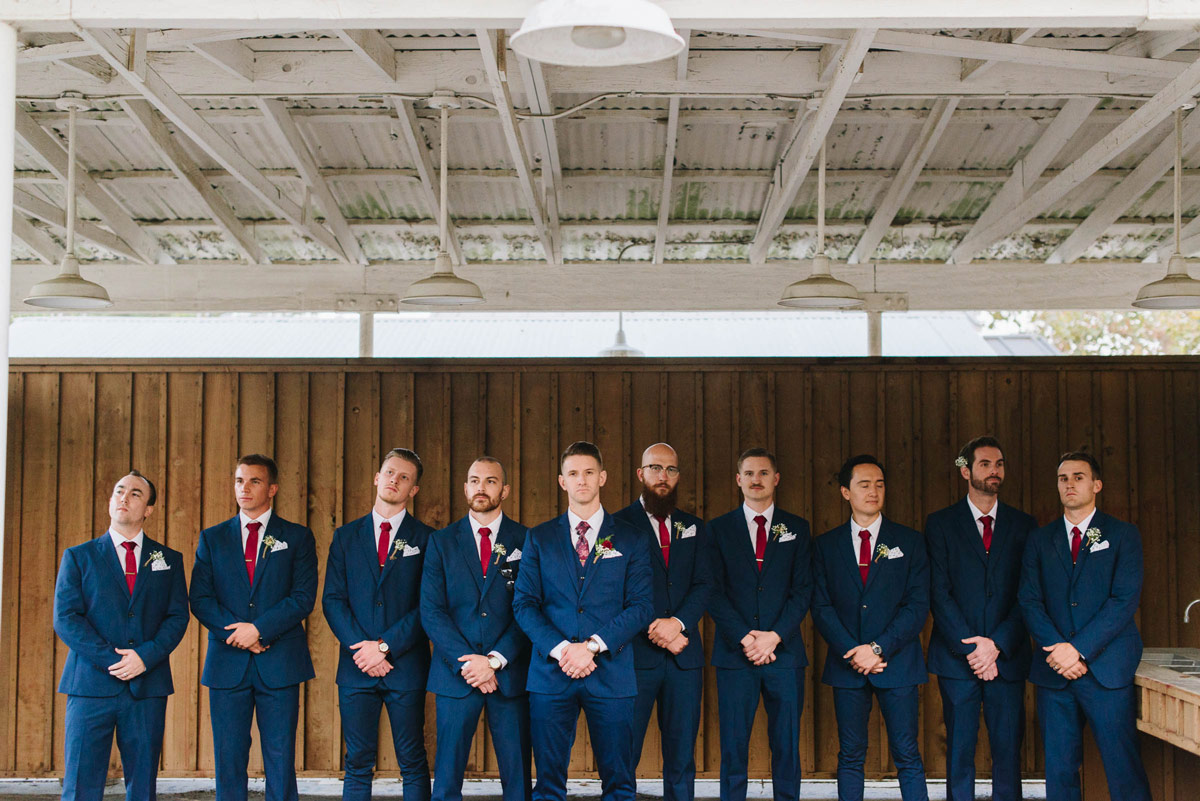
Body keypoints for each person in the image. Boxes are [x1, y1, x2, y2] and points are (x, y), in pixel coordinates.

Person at [512, 441, 654, 801]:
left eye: (589, 472)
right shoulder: (539, 538)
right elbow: (524, 604)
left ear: (602, 477)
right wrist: (563, 651)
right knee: (547, 786)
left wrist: (591, 647)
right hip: (550, 674)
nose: (582, 480)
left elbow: (640, 606)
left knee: (620, 784)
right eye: (573, 473)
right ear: (562, 481)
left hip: (611, 673)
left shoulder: (632, 538)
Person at [1018, 451, 1152, 801]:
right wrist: (1058, 649)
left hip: (1106, 670)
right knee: (1059, 773)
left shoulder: (1123, 535)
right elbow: (1029, 601)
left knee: (1123, 769)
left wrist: (1076, 650)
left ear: (1097, 485)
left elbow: (1123, 600)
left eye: (1078, 477)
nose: (1070, 484)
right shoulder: (1039, 540)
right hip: (1054, 672)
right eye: (1063, 478)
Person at [53, 471, 189, 801]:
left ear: (149, 510)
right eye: (119, 491)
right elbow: (67, 619)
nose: (124, 497)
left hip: (146, 687)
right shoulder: (79, 556)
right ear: (111, 501)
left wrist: (145, 657)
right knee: (81, 784)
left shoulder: (168, 560)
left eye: (136, 493)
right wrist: (115, 660)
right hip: (90, 685)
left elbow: (176, 617)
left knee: (142, 786)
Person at [190, 454, 318, 801]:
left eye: (254, 481)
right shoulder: (212, 538)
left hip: (279, 663)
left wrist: (259, 630)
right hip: (227, 664)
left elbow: (303, 597)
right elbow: (200, 599)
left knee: (280, 757)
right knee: (228, 758)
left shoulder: (297, 537)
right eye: (239, 481)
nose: (244, 488)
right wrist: (240, 636)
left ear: (272, 489)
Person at [812, 455, 929, 801]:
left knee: (908, 754)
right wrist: (854, 651)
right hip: (847, 665)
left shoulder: (909, 542)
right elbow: (821, 606)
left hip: (898, 662)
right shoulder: (826, 545)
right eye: (864, 484)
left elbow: (916, 605)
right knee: (850, 755)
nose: (874, 491)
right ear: (846, 492)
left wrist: (877, 649)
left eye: (879, 484)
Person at [925, 436, 1036, 801]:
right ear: (965, 470)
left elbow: (1029, 594)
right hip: (959, 659)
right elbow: (939, 593)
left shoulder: (1024, 525)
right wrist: (975, 650)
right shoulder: (940, 524)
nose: (994, 471)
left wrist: (997, 646)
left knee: (1008, 753)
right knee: (959, 752)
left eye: (999, 464)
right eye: (985, 464)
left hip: (1007, 656)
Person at [323, 448, 434, 801]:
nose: (394, 480)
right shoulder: (345, 537)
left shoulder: (428, 539)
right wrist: (363, 650)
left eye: (404, 477)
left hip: (406, 666)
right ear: (376, 477)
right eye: (389, 472)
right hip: (356, 667)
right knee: (357, 760)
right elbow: (333, 600)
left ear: (413, 490)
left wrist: (384, 647)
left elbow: (427, 607)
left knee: (413, 759)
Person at [421, 457, 531, 801]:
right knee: (447, 779)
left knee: (517, 778)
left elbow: (529, 608)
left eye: (490, 481)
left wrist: (496, 659)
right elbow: (432, 610)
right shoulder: (441, 542)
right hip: (457, 674)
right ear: (466, 487)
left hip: (509, 674)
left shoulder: (527, 540)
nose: (481, 487)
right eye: (474, 480)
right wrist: (469, 662)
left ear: (505, 490)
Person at [706, 448, 812, 801]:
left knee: (786, 747)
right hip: (735, 656)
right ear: (738, 480)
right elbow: (713, 592)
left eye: (764, 473)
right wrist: (746, 638)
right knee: (733, 748)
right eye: (749, 473)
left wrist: (774, 636)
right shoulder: (718, 529)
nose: (756, 479)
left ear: (776, 479)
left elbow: (803, 590)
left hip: (785, 656)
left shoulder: (797, 528)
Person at [612, 443, 713, 801]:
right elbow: (614, 591)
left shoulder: (695, 527)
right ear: (640, 474)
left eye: (670, 470)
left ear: (678, 476)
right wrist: (657, 628)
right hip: (635, 659)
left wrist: (679, 624)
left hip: (685, 659)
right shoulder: (617, 524)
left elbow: (704, 584)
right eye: (655, 468)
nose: (663, 476)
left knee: (682, 757)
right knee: (624, 754)